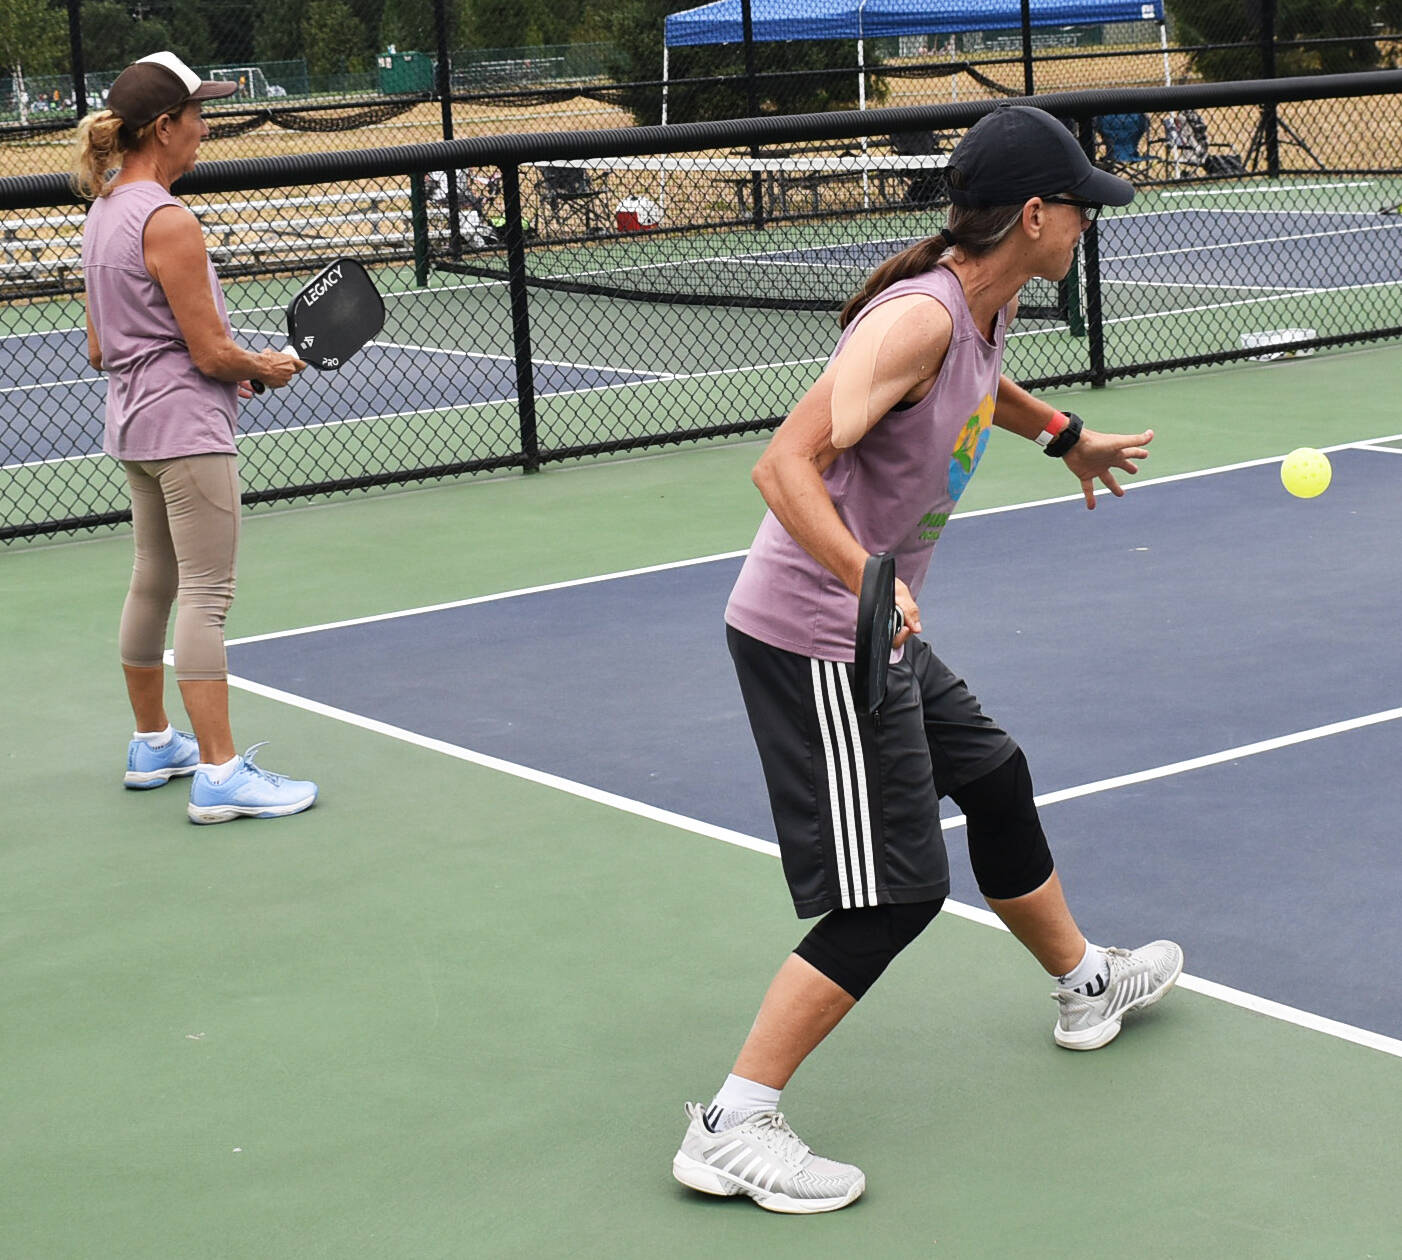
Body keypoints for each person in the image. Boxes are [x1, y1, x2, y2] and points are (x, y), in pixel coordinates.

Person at [672, 105, 1184, 1214]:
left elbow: (970, 387)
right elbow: (783, 467)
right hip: (815, 633)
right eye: (1079, 210)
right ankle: (733, 1122)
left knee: (992, 774)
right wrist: (868, 575)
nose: (1089, 226)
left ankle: (1082, 985)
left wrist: (1062, 436)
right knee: (895, 893)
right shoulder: (913, 318)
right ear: (1034, 216)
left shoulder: (975, 308)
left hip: (870, 622)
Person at [71, 51, 318, 825]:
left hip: (134, 427)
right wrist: (263, 367)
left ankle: (155, 745)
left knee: (153, 579)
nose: (205, 130)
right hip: (186, 429)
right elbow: (210, 353)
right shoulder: (170, 220)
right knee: (207, 596)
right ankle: (218, 773)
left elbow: (103, 350)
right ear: (164, 127)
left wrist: (225, 366)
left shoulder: (102, 211)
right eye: (199, 116)